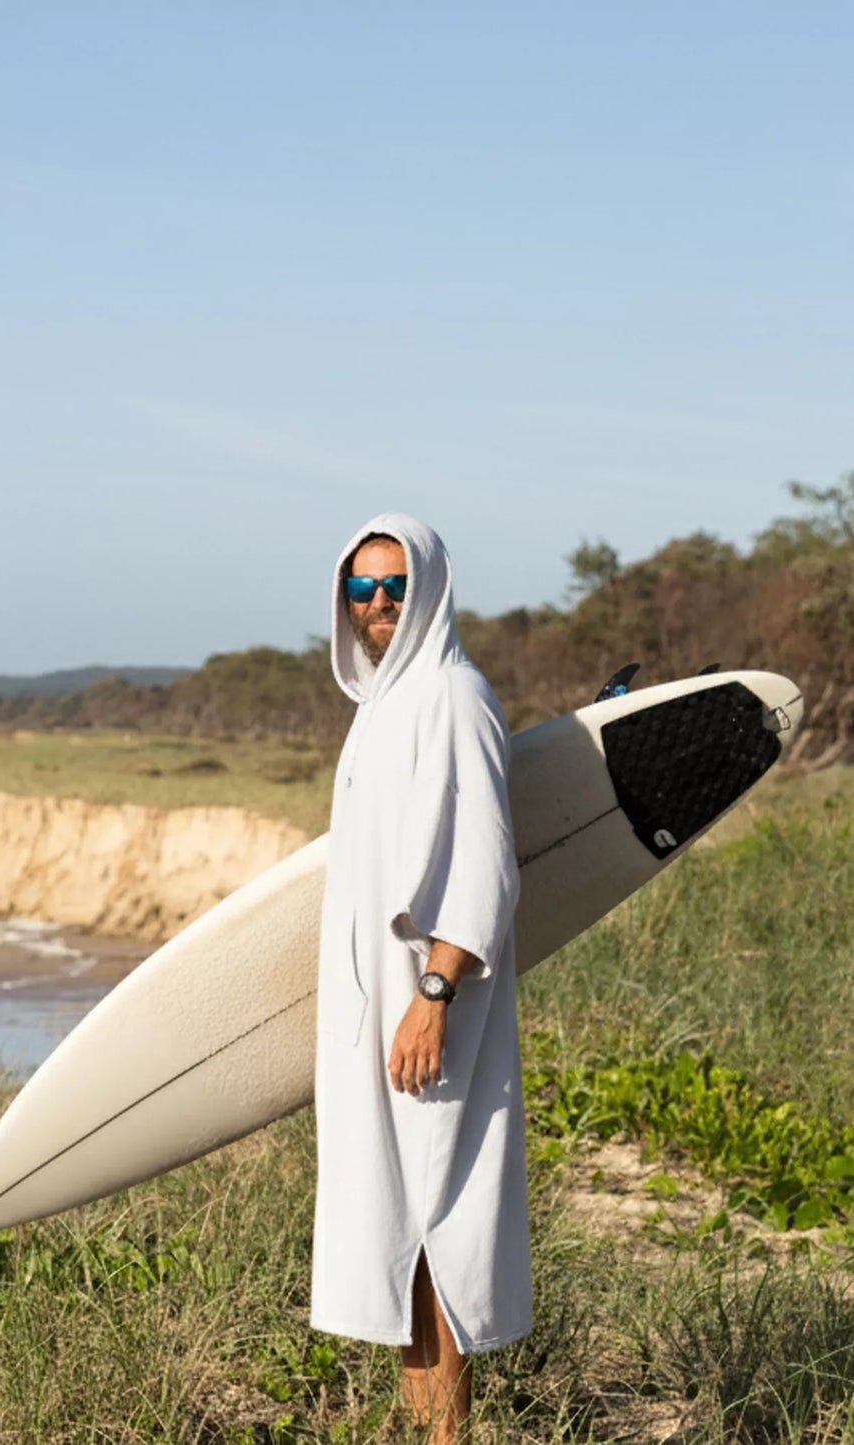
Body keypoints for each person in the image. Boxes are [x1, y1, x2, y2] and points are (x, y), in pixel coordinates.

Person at [310, 514, 531, 1444]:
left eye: (395, 585)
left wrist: (432, 998)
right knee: (393, 1230)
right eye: (361, 588)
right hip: (377, 1021)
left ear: (429, 589)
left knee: (434, 1225)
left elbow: (485, 863)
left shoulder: (451, 693)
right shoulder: (380, 709)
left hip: (430, 1011)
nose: (378, 604)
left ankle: (447, 1437)